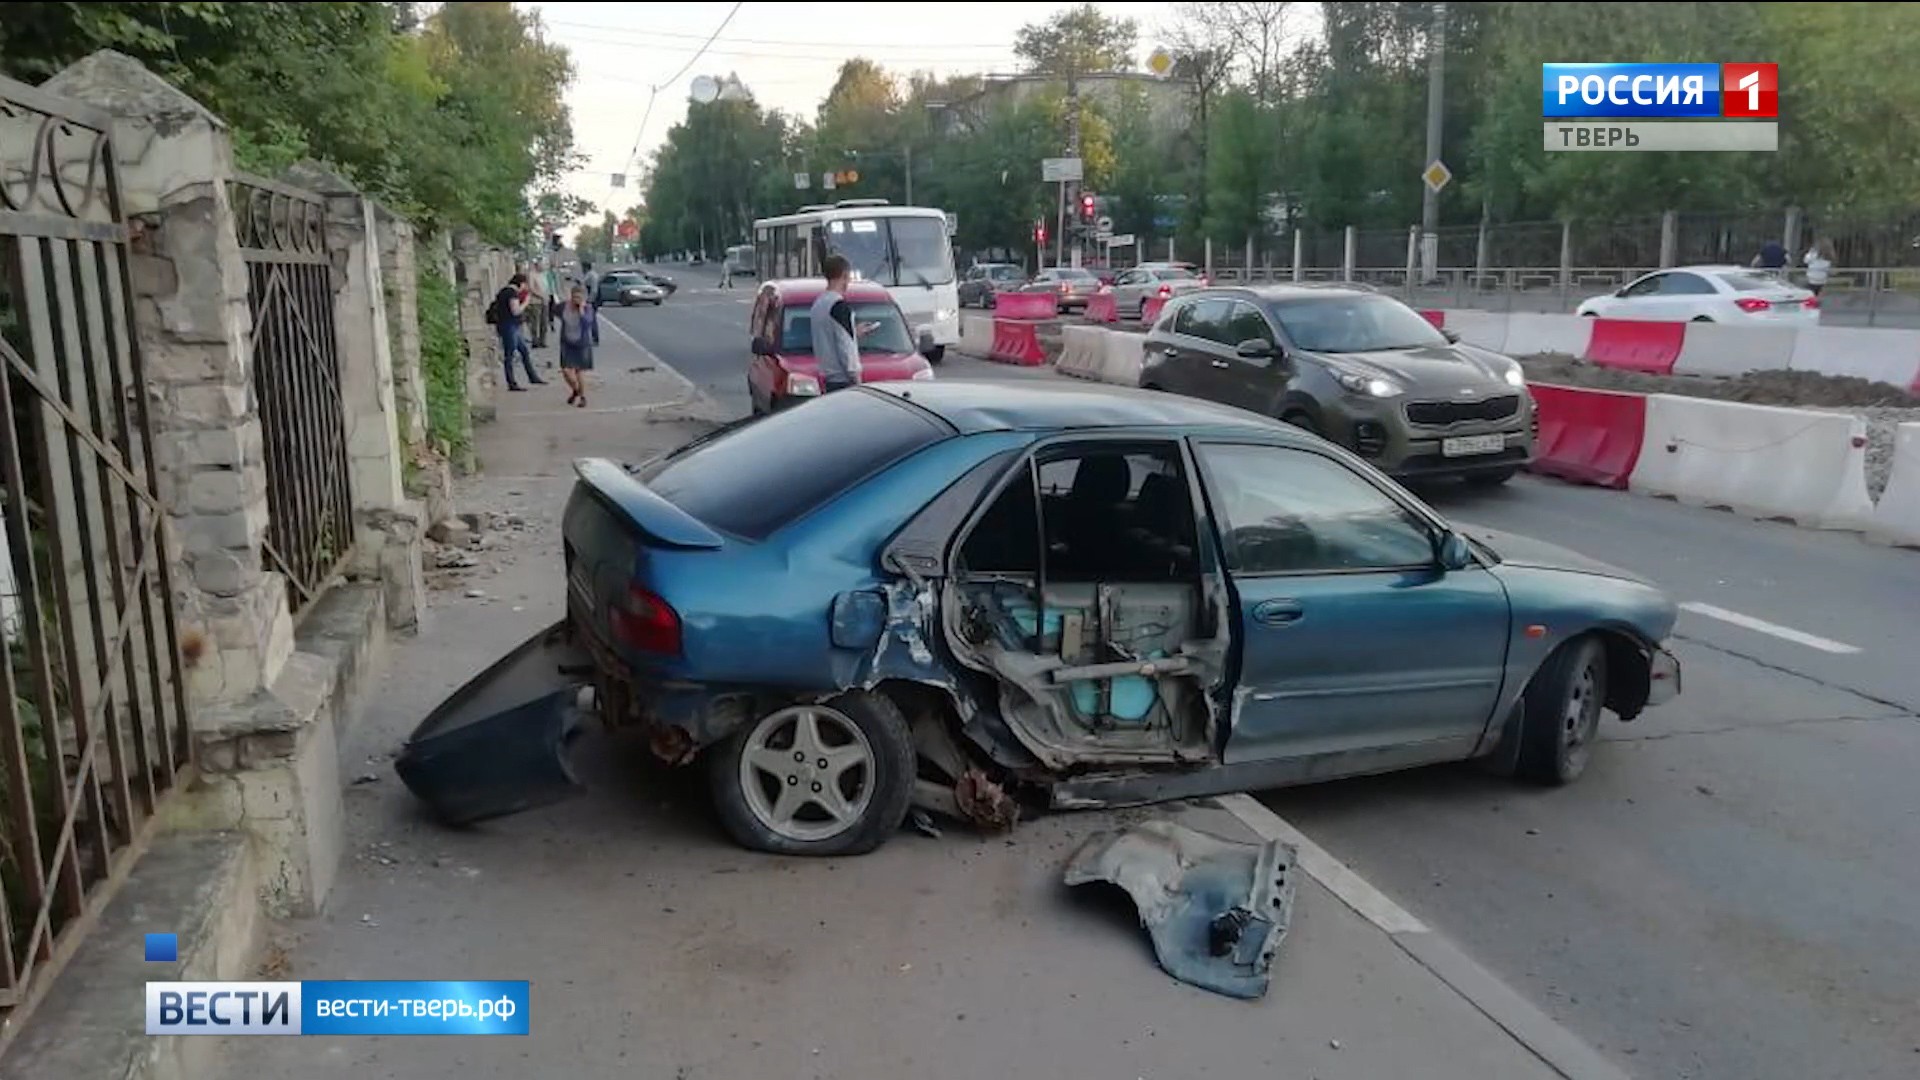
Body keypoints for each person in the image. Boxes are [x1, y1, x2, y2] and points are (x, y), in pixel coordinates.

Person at [808, 254, 874, 394]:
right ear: (844, 275)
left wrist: (854, 332)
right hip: (843, 382)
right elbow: (846, 346)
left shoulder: (818, 305)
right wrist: (856, 379)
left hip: (828, 379)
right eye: (848, 277)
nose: (849, 281)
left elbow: (829, 336)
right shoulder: (839, 307)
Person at [490, 273, 544, 391]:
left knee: (523, 351)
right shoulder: (512, 293)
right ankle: (512, 383)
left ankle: (532, 376)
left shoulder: (503, 292)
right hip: (510, 326)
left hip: (508, 325)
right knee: (510, 354)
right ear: (521, 283)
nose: (525, 287)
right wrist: (525, 302)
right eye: (525, 284)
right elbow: (516, 311)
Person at [556, 285, 600, 408]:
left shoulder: (588, 309)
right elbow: (554, 310)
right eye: (574, 296)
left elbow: (587, 324)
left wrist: (581, 311)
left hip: (582, 343)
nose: (577, 299)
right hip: (567, 342)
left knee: (579, 371)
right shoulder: (564, 306)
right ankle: (575, 390)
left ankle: (582, 397)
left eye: (579, 297)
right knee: (565, 371)